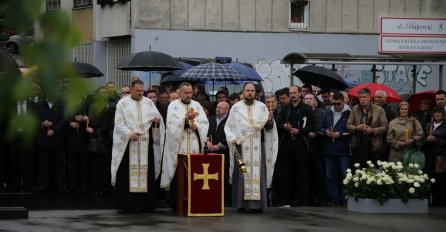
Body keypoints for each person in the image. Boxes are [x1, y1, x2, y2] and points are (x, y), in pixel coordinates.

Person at [111, 80, 165, 213]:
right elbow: (118, 123)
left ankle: (146, 204)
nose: (141, 93)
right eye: (138, 90)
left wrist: (156, 122)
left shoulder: (149, 102)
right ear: (131, 89)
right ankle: (127, 205)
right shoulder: (123, 103)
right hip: (129, 144)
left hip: (146, 143)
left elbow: (157, 119)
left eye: (142, 90)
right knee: (127, 174)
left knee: (147, 174)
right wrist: (129, 134)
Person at [224, 82, 278, 212]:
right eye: (247, 90)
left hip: (258, 147)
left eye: (252, 91)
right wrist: (232, 138)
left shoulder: (262, 108)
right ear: (243, 92)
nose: (249, 93)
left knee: (258, 175)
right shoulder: (236, 108)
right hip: (242, 146)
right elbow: (229, 127)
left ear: (255, 93)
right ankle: (241, 204)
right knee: (241, 175)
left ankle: (257, 206)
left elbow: (268, 129)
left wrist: (270, 121)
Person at [160, 82, 209, 208]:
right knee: (179, 178)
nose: (188, 95)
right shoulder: (173, 105)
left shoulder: (197, 105)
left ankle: (193, 204)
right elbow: (171, 126)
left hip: (194, 148)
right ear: (180, 93)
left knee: (194, 177)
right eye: (186, 93)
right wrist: (186, 121)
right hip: (178, 149)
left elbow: (204, 124)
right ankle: (177, 205)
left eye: (190, 93)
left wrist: (196, 126)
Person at [274, 85, 315, 207]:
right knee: (285, 173)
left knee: (302, 173)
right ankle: (286, 199)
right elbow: (278, 124)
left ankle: (303, 200)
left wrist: (300, 131)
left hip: (301, 143)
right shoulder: (286, 108)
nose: (292, 95)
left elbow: (312, 126)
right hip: (287, 144)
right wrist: (284, 127)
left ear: (299, 94)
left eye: (294, 93)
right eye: (291, 93)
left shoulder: (306, 109)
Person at [319, 92, 351, 207]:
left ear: (343, 102)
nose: (336, 106)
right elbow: (321, 127)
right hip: (329, 150)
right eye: (334, 104)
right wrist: (325, 132)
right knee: (330, 177)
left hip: (343, 150)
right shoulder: (328, 112)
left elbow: (352, 130)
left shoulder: (349, 112)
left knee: (344, 176)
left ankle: (345, 200)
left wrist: (340, 134)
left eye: (338, 104)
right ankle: (333, 200)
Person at [347, 88, 388, 167]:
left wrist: (372, 130)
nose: (362, 99)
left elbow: (385, 127)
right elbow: (348, 125)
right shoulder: (354, 109)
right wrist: (357, 128)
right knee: (357, 170)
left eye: (364, 97)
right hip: (358, 144)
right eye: (360, 97)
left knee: (372, 171)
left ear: (369, 98)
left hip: (373, 145)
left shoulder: (379, 110)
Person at [303, 93, 326, 206]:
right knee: (306, 177)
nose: (307, 101)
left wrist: (316, 134)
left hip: (317, 149)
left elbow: (324, 128)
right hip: (304, 149)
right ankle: (308, 200)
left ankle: (321, 200)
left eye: (310, 99)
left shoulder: (322, 113)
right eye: (306, 99)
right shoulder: (302, 113)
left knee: (318, 176)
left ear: (315, 102)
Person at [207, 101, 231, 206]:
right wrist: (207, 142)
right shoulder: (211, 120)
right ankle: (212, 199)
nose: (218, 109)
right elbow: (206, 133)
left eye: (220, 107)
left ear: (226, 110)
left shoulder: (230, 121)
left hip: (224, 154)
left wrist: (219, 145)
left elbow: (230, 135)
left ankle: (224, 201)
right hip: (210, 153)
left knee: (223, 177)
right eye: (217, 107)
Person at [423, 105, 446, 206]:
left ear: (443, 114)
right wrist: (426, 140)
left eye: (439, 112)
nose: (437, 114)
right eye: (435, 112)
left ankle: (439, 203)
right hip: (428, 157)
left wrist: (436, 140)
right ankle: (427, 202)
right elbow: (422, 140)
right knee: (428, 179)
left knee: (439, 181)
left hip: (440, 157)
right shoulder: (429, 125)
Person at [374, 90, 396, 162]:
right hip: (373, 141)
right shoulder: (372, 108)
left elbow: (390, 128)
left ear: (385, 99)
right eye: (376, 97)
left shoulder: (391, 111)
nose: (377, 98)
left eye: (379, 97)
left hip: (384, 143)